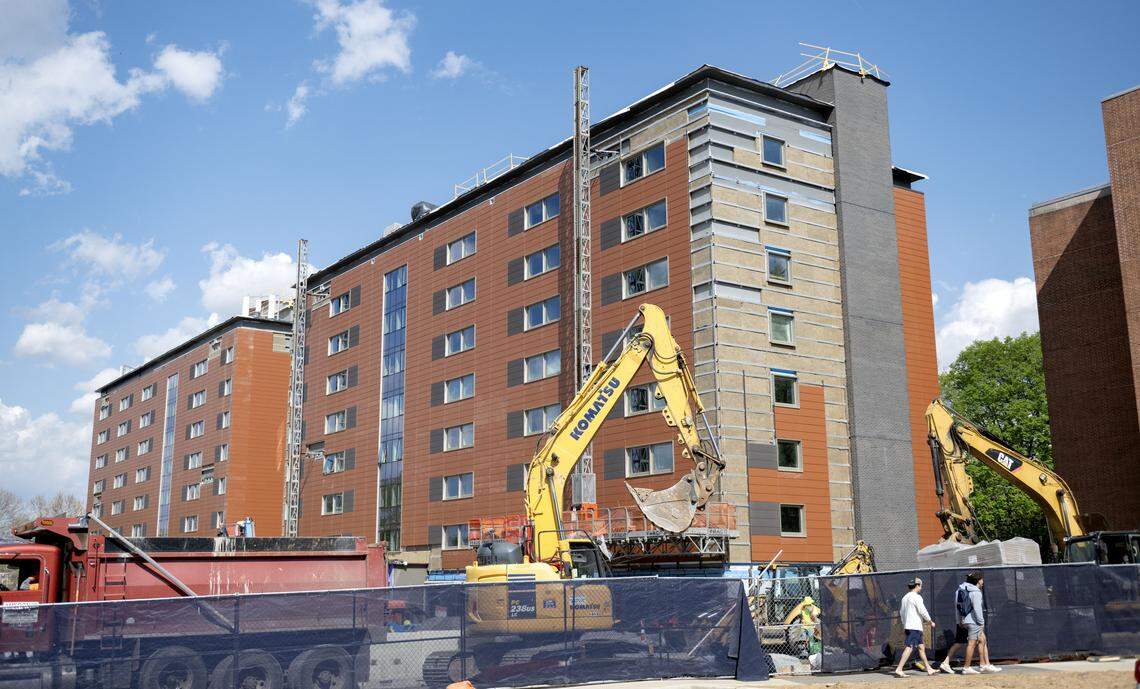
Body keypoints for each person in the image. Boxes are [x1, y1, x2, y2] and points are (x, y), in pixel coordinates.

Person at [943, 571, 1001, 674]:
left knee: (982, 640)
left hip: (962, 621)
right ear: (978, 581)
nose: (983, 581)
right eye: (982, 579)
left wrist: (958, 621)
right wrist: (981, 622)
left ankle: (984, 665)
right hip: (973, 622)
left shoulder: (959, 590)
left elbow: (957, 607)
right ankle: (967, 667)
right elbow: (977, 609)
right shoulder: (976, 592)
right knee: (972, 643)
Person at [894, 577, 937, 678]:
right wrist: (930, 621)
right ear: (917, 586)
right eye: (920, 586)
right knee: (909, 647)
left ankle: (929, 668)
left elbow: (902, 613)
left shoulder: (904, 598)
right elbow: (922, 610)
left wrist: (905, 624)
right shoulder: (916, 597)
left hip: (909, 626)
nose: (921, 588)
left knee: (921, 647)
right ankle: (899, 669)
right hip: (914, 627)